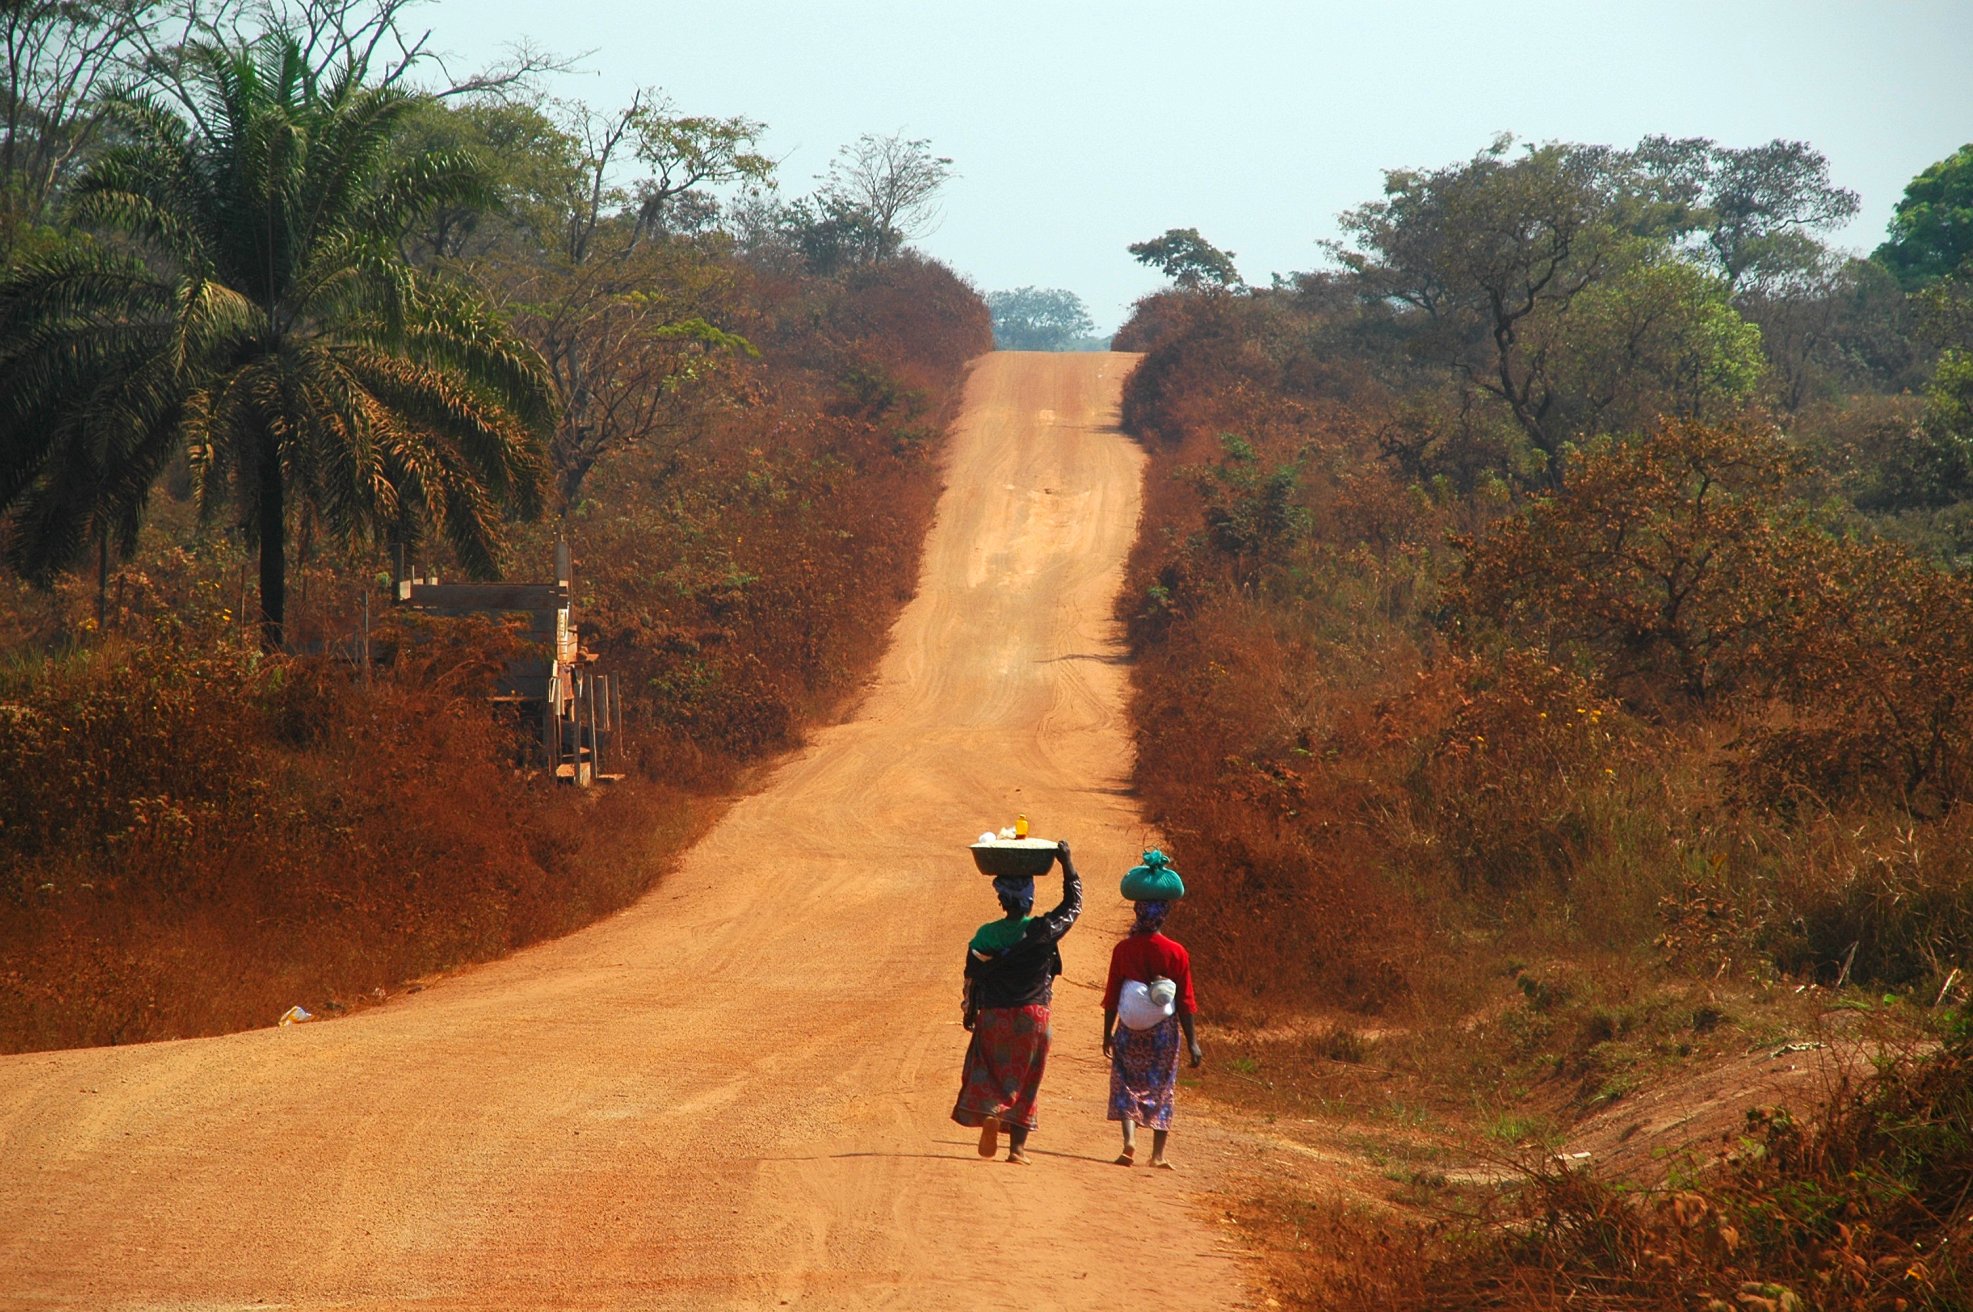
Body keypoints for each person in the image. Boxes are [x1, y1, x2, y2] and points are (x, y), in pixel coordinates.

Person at [951, 840, 1082, 1165]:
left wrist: (970, 1013)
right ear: (1030, 898)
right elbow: (1073, 905)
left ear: (1002, 899)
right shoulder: (1044, 930)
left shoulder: (986, 936)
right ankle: (1017, 1150)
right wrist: (1066, 864)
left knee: (987, 1068)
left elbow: (972, 977)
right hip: (1033, 1016)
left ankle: (992, 1111)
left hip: (994, 1014)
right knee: (1027, 1076)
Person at [1101, 898, 1201, 1168]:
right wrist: (1192, 1042)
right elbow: (1185, 1000)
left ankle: (1129, 1142)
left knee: (1125, 1082)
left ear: (1138, 913)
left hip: (1129, 1029)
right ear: (1163, 917)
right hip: (1163, 1032)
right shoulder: (1176, 951)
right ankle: (1157, 1155)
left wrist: (1107, 1033)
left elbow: (1112, 995)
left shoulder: (1124, 949)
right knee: (1162, 1086)